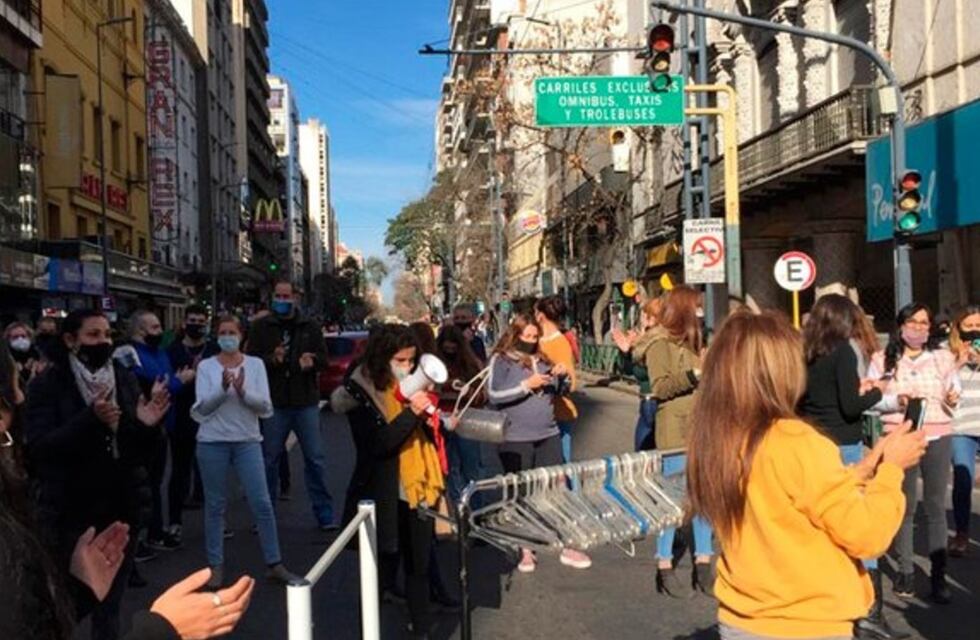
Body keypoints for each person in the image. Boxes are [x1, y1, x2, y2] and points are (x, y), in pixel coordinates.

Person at [686, 310, 926, 640]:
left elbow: (785, 498)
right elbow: (867, 534)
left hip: (743, 617)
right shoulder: (796, 441)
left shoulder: (718, 440)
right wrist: (891, 470)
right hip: (804, 622)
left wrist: (864, 469)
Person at [24, 309, 171, 640]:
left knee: (109, 608)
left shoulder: (122, 377)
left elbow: (139, 454)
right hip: (70, 514)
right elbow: (41, 448)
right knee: (66, 604)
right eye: (93, 335)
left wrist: (147, 427)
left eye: (107, 335)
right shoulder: (48, 384)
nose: (102, 342)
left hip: (120, 510)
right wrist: (90, 420)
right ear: (70, 340)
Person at [799, 294, 907, 640]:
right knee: (861, 526)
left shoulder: (807, 353)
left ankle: (832, 602)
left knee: (826, 528)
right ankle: (869, 613)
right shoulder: (843, 350)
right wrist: (879, 390)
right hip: (845, 446)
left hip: (815, 442)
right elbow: (850, 406)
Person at [330, 324, 445, 638]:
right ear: (383, 359)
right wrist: (413, 413)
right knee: (383, 561)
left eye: (411, 360)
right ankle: (373, 625)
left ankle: (421, 627)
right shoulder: (361, 392)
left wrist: (437, 417)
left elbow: (429, 436)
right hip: (383, 489)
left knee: (418, 564)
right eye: (401, 360)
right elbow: (378, 445)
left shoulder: (412, 385)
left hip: (419, 485)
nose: (407, 367)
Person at [192, 315, 299, 588]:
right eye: (222, 332)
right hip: (212, 442)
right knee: (215, 506)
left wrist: (242, 392)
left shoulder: (255, 365)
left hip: (247, 441)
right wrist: (223, 389)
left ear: (241, 336)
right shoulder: (206, 366)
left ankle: (274, 563)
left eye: (232, 332)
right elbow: (202, 409)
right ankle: (215, 565)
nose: (227, 336)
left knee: (262, 503)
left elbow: (265, 407)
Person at [867, 303, 960, 603]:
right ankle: (905, 571)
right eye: (913, 321)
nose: (918, 327)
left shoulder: (943, 358)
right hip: (899, 435)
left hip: (937, 434)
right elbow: (871, 400)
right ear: (901, 325)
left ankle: (939, 575)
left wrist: (951, 395)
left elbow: (953, 390)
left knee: (935, 506)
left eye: (924, 322)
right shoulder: (882, 359)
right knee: (903, 506)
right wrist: (898, 401)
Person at [487, 313, 591, 571]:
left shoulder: (542, 358)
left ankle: (564, 542)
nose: (532, 341)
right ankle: (525, 549)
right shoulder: (500, 360)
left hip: (548, 433)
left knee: (555, 488)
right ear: (516, 334)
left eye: (536, 337)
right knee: (521, 492)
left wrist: (561, 377)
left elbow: (559, 391)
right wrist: (526, 385)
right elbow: (493, 395)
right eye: (528, 336)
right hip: (515, 437)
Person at [247, 281, 334, 530]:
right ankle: (265, 514)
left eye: (287, 296)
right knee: (269, 460)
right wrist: (272, 360)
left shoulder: (310, 326)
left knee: (315, 459)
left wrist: (312, 361)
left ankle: (324, 513)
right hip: (274, 402)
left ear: (295, 298)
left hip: (304, 400)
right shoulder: (261, 327)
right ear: (272, 297)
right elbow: (251, 362)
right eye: (278, 296)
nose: (283, 300)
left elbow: (324, 360)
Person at [646, 285, 713, 596]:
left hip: (703, 429)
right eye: (697, 307)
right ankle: (663, 563)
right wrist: (694, 375)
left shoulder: (701, 341)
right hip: (674, 432)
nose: (702, 312)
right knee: (673, 501)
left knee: (703, 498)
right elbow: (659, 388)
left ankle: (703, 561)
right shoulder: (660, 344)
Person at [130, 311, 195, 553]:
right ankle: (140, 538)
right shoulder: (131, 354)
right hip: (142, 427)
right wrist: (178, 382)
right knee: (142, 483)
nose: (160, 332)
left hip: (164, 425)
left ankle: (155, 531)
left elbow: (164, 382)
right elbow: (150, 388)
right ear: (140, 330)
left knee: (155, 482)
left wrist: (172, 383)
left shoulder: (160, 353)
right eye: (155, 327)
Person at [166, 305, 218, 540]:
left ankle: (217, 521)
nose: (196, 324)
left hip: (210, 417)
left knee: (210, 471)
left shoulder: (214, 350)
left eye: (200, 320)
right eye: (192, 320)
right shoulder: (172, 350)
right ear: (184, 323)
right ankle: (175, 521)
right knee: (180, 470)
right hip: (182, 417)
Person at [436, 325, 486, 503]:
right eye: (446, 349)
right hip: (443, 421)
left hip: (466, 421)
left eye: (453, 349)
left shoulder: (471, 365)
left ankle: (475, 508)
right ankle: (459, 507)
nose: (450, 353)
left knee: (471, 468)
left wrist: (469, 391)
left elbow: (483, 395)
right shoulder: (436, 366)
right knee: (450, 468)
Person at [949, 304, 980, 557]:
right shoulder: (945, 352)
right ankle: (961, 533)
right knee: (963, 480)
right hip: (961, 426)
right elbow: (940, 383)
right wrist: (957, 363)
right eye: (969, 326)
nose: (974, 331)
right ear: (958, 328)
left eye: (979, 326)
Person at [612, 297, 663, 451]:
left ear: (653, 318)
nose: (640, 318)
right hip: (647, 401)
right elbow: (627, 370)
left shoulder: (657, 341)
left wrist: (633, 351)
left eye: (644, 314)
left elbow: (644, 373)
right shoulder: (646, 339)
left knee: (645, 453)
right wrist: (626, 352)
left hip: (654, 400)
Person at [534, 296, 580, 465]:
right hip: (540, 413)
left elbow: (571, 382)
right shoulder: (537, 339)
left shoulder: (559, 342)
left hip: (558, 413)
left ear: (541, 316)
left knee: (562, 465)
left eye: (536, 312)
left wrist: (556, 376)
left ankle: (570, 491)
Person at [5, 321, 42, 389]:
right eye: (15, 337)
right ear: (8, 339)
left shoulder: (39, 355)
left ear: (29, 337)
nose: (20, 339)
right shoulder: (5, 359)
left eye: (23, 336)